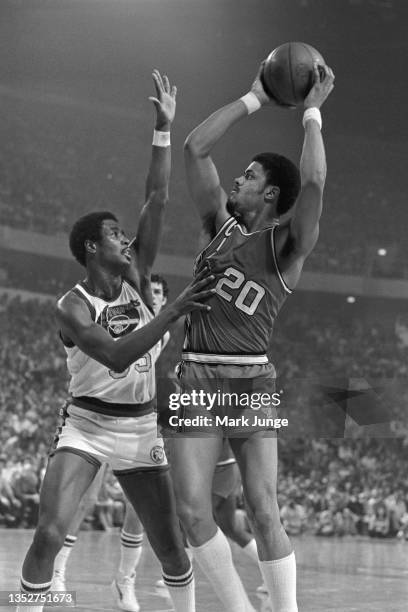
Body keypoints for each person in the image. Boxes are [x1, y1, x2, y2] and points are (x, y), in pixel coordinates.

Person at [16, 70, 215, 612]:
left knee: (172, 548)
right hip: (86, 423)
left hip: (140, 426)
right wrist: (172, 311)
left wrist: (162, 130)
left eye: (124, 233)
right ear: (89, 248)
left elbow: (158, 194)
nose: (125, 238)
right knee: (50, 534)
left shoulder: (135, 274)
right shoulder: (72, 305)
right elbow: (117, 353)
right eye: (113, 234)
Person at [165, 60, 335, 612]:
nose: (238, 179)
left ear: (269, 195)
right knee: (194, 512)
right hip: (196, 371)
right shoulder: (218, 222)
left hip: (252, 378)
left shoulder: (287, 249)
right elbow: (194, 148)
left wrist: (311, 112)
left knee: (264, 509)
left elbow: (312, 183)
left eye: (250, 176)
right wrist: (256, 97)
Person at [52, 274, 171, 612]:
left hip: (138, 420)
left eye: (161, 293)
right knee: (84, 499)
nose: (155, 296)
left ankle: (125, 580)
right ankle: (58, 571)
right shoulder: (122, 316)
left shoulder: (163, 330)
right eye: (151, 290)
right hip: (96, 415)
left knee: (140, 508)